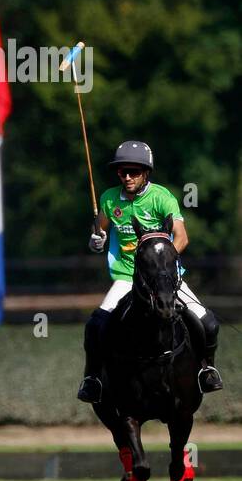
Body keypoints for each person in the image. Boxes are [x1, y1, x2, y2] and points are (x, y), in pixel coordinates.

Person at [78, 140, 222, 401]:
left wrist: (165, 267)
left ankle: (206, 369)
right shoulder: (109, 199)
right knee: (95, 326)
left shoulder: (162, 197)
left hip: (165, 279)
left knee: (207, 322)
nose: (128, 177)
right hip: (126, 276)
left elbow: (182, 237)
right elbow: (99, 229)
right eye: (123, 172)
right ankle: (93, 378)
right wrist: (95, 240)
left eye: (134, 171)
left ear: (146, 173)